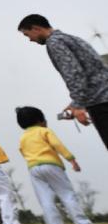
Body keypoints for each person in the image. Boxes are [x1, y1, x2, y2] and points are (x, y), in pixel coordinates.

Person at [17, 14, 108, 150]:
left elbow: (75, 73)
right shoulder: (70, 38)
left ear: (36, 28)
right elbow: (91, 74)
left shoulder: (54, 43)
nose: (30, 40)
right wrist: (74, 104)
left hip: (101, 104)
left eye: (27, 34)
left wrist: (78, 105)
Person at [15, 105, 97, 224]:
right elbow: (57, 145)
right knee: (66, 194)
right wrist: (72, 160)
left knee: (45, 198)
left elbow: (22, 151)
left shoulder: (23, 137)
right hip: (51, 165)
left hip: (33, 168)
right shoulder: (44, 131)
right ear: (40, 120)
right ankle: (82, 223)